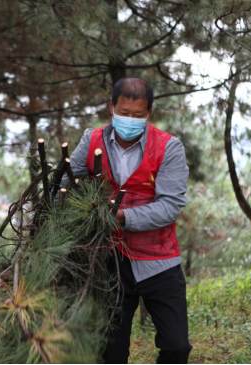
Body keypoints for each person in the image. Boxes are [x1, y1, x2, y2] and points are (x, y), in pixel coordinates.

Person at [68, 77, 192, 364]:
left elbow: (170, 206)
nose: (130, 120)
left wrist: (122, 217)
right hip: (109, 260)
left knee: (176, 346)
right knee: (111, 351)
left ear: (149, 113)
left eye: (138, 115)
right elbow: (70, 179)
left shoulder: (168, 147)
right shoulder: (92, 139)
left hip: (159, 260)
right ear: (112, 107)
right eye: (124, 113)